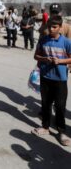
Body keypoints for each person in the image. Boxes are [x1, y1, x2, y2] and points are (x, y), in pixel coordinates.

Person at [31, 15, 71, 146]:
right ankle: (46, 127)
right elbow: (36, 55)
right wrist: (44, 59)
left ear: (60, 27)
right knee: (46, 104)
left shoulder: (66, 42)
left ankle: (62, 132)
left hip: (60, 79)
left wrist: (60, 61)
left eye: (54, 27)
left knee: (60, 106)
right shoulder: (43, 40)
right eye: (50, 27)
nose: (51, 29)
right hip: (45, 77)